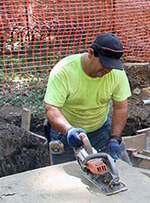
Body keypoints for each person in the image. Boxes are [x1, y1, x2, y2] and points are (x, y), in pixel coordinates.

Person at [44, 32, 132, 165]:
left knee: (121, 171)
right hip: (66, 133)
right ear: (91, 53)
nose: (108, 69)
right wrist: (69, 131)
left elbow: (121, 107)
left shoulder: (117, 74)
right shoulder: (64, 71)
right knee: (69, 180)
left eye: (111, 65)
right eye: (104, 64)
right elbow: (51, 109)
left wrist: (114, 138)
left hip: (101, 130)